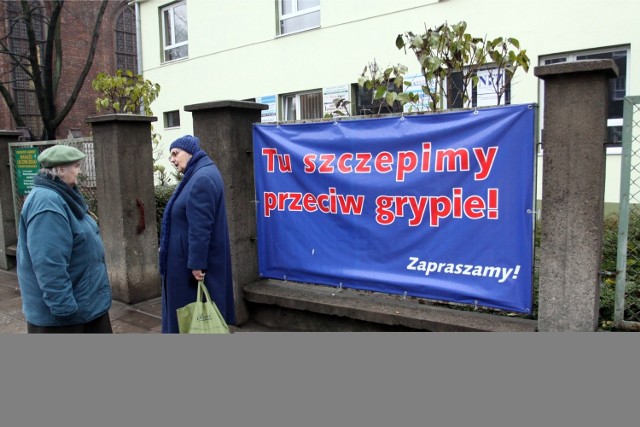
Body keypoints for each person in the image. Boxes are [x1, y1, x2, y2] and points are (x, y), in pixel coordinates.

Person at [16, 145, 113, 333]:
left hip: (85, 307)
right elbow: (49, 264)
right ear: (60, 170)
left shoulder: (60, 195)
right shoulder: (47, 202)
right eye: (76, 166)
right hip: (65, 319)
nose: (80, 170)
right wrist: (65, 310)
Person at [159, 135, 236, 333]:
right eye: (170, 156)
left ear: (190, 151)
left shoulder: (201, 178)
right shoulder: (200, 173)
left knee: (191, 320)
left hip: (189, 270)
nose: (172, 159)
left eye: (175, 153)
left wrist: (197, 265)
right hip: (187, 263)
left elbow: (201, 227)